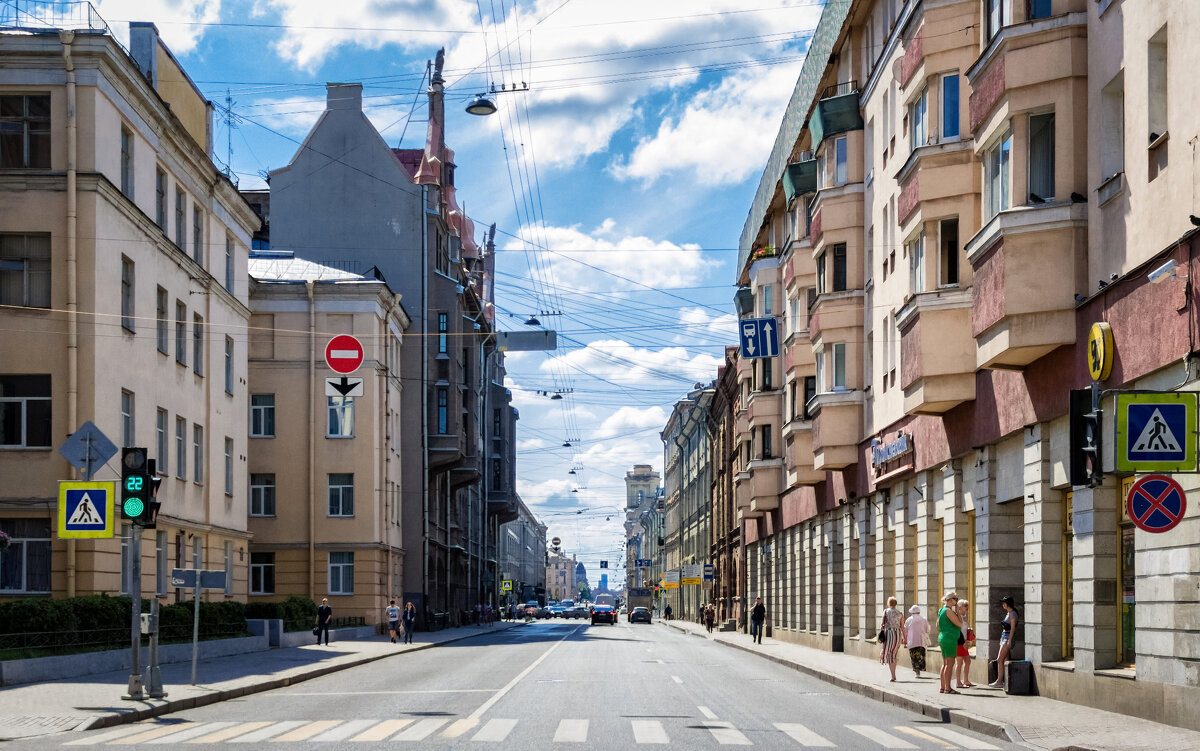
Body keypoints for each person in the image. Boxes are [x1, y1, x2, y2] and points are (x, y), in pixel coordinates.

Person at [989, 595, 1020, 688]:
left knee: (999, 659)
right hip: (1004, 636)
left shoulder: (1013, 614)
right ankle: (1005, 681)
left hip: (1007, 637)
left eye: (1004, 603)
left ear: (1008, 603)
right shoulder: (1008, 613)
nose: (1003, 604)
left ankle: (999, 681)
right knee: (1005, 660)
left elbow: (1013, 628)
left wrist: (1009, 640)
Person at [937, 592, 964, 694]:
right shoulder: (948, 611)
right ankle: (948, 688)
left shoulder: (941, 610)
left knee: (945, 664)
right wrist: (957, 612)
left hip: (944, 637)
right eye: (955, 599)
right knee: (950, 664)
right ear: (950, 600)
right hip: (949, 638)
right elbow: (959, 624)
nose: (956, 601)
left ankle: (943, 687)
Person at [879, 596, 903, 682]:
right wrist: (905, 638)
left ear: (888, 603)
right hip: (897, 634)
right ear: (896, 604)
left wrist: (881, 636)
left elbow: (882, 624)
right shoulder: (900, 613)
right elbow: (902, 627)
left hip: (889, 633)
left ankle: (893, 675)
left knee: (887, 652)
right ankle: (893, 675)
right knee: (894, 654)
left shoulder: (886, 611)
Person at [904, 605, 930, 678]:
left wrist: (904, 640)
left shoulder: (909, 620)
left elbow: (905, 631)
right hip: (921, 641)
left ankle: (916, 671)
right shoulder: (923, 619)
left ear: (912, 612)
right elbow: (928, 630)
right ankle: (920, 668)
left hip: (912, 642)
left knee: (914, 657)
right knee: (921, 656)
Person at [956, 599, 976, 688]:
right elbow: (957, 631)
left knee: (967, 661)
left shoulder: (964, 617)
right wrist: (963, 642)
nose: (967, 608)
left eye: (967, 606)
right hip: (959, 643)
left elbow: (964, 630)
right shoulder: (957, 617)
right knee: (959, 663)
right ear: (959, 608)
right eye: (965, 606)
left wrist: (969, 632)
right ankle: (958, 682)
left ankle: (966, 680)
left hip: (964, 643)